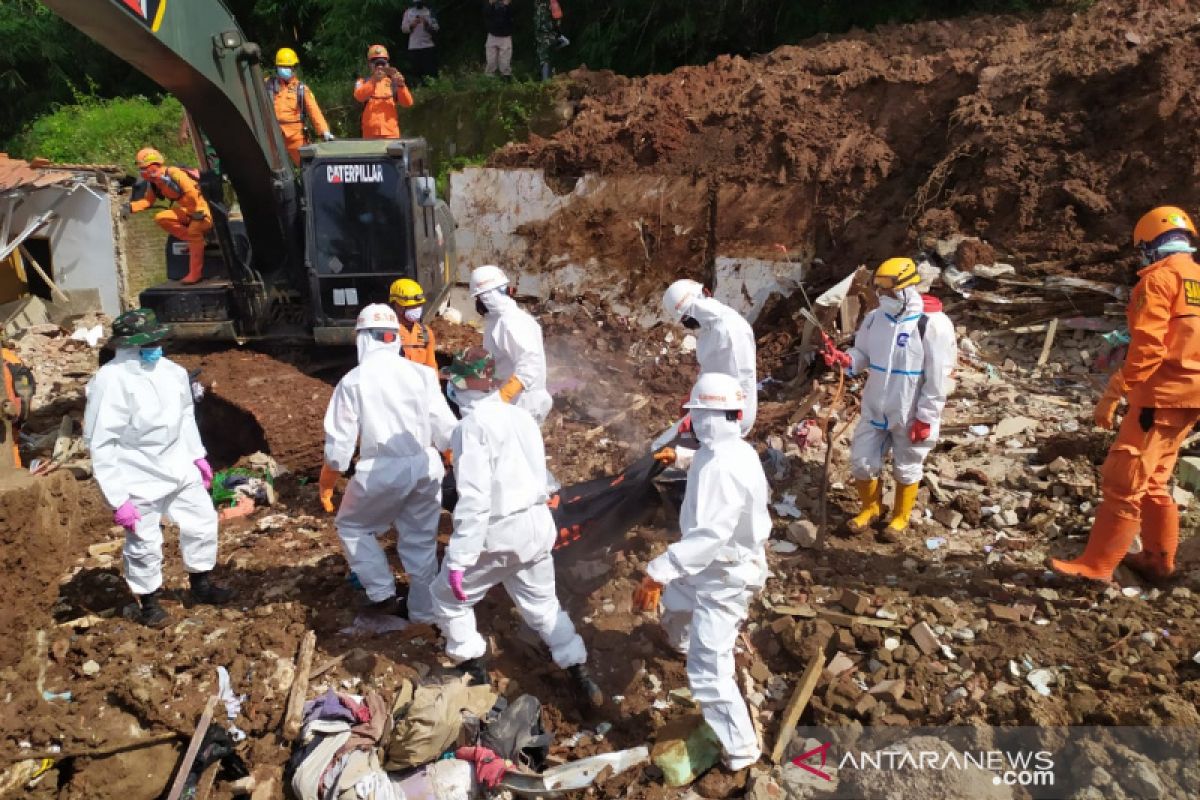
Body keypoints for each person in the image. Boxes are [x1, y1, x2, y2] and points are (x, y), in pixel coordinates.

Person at [430, 347, 604, 708]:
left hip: (501, 531)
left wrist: (460, 559)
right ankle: (579, 671)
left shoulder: (470, 428)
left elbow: (475, 499)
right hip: (537, 525)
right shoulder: (520, 417)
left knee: (446, 599)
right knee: (542, 604)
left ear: (460, 385)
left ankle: (473, 671)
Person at [1051, 206, 1200, 583]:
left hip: (1159, 396)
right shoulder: (1196, 279)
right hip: (1190, 398)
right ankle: (1156, 559)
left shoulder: (1158, 281)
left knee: (1124, 480)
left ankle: (1096, 567)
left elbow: (1148, 350)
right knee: (1155, 480)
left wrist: (1114, 392)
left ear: (1149, 244)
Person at [635, 372, 769, 773]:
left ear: (712, 415)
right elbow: (710, 458)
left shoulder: (721, 468)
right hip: (707, 569)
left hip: (724, 575)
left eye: (697, 415)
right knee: (675, 607)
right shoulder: (731, 450)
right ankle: (679, 642)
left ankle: (742, 748)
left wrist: (659, 570)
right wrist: (679, 457)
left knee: (709, 672)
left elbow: (709, 537)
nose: (693, 423)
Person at [83, 309, 230, 628]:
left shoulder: (172, 373)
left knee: (203, 523)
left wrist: (197, 456)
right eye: (148, 343)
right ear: (129, 346)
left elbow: (185, 420)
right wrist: (117, 497)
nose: (155, 348)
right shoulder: (110, 381)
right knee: (144, 543)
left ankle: (201, 583)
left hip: (179, 467)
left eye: (156, 341)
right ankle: (149, 602)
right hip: (137, 475)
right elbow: (101, 442)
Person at [320, 304, 458, 622]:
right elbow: (447, 431)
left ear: (363, 339)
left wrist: (327, 482)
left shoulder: (353, 382)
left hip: (381, 469)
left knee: (352, 526)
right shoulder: (422, 374)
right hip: (426, 466)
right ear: (395, 338)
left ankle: (382, 592)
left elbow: (339, 447)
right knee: (421, 543)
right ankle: (424, 615)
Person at [822, 257, 956, 536]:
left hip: (909, 411)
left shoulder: (932, 325)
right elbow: (863, 355)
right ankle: (871, 508)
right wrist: (845, 359)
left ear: (907, 288)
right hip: (874, 407)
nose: (884, 294)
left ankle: (899, 516)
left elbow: (938, 378)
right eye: (880, 288)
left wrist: (926, 418)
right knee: (861, 462)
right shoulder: (875, 319)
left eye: (889, 289)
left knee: (907, 467)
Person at [658, 279, 758, 467]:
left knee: (665, 453)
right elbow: (712, 371)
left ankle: (685, 487)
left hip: (728, 414)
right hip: (715, 405)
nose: (687, 325)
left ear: (691, 312)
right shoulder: (712, 328)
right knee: (665, 450)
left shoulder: (728, 330)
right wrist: (695, 399)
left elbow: (738, 383)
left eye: (685, 320)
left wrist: (700, 415)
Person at [470, 265, 553, 424]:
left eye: (479, 298)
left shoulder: (511, 322)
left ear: (488, 297)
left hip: (521, 402)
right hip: (515, 400)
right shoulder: (499, 321)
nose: (478, 303)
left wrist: (504, 396)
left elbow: (529, 363)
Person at [124, 147, 212, 285]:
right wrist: (130, 207)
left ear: (154, 166)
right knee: (161, 217)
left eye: (145, 169)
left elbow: (192, 194)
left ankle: (195, 274)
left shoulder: (175, 174)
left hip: (203, 209)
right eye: (142, 170)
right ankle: (193, 241)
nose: (143, 173)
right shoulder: (154, 184)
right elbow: (148, 201)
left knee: (194, 230)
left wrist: (196, 214)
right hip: (188, 210)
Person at [267, 47, 334, 166]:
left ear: (294, 68)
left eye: (287, 67)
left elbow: (314, 111)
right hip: (272, 134)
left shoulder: (301, 89)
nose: (284, 69)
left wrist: (324, 131)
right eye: (282, 66)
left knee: (306, 167)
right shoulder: (268, 84)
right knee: (272, 168)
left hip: (295, 135)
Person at [353, 45, 414, 139]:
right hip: (370, 134)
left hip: (391, 134)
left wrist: (401, 85)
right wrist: (374, 80)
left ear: (388, 65)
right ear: (370, 64)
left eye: (382, 63)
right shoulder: (362, 82)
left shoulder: (393, 83)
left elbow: (408, 103)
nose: (379, 66)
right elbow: (359, 97)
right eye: (376, 63)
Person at [388, 277, 438, 370]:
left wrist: (435, 384)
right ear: (397, 305)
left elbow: (431, 366)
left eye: (419, 305)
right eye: (412, 306)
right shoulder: (388, 332)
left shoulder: (426, 332)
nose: (416, 309)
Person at [401, 1, 440, 87]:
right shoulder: (408, 12)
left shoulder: (429, 12)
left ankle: (432, 88)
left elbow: (436, 29)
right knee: (416, 71)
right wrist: (412, 25)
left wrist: (426, 24)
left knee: (430, 70)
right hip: (414, 46)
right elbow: (404, 29)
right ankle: (418, 88)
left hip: (428, 45)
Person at [482, 0, 515, 79]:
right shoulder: (490, 3)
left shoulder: (509, 4)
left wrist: (507, 5)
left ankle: (506, 79)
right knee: (491, 60)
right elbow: (485, 13)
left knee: (505, 62)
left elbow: (513, 15)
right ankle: (489, 79)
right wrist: (490, 3)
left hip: (505, 36)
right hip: (492, 34)